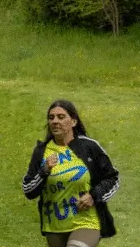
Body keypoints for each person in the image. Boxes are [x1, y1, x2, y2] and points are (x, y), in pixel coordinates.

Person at [22, 100, 120, 247]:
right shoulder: (41, 151)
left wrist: (93, 196)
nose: (55, 121)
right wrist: (44, 171)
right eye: (51, 117)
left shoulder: (88, 147)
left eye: (61, 117)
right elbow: (28, 190)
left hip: (86, 221)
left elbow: (112, 177)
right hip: (54, 226)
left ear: (73, 121)